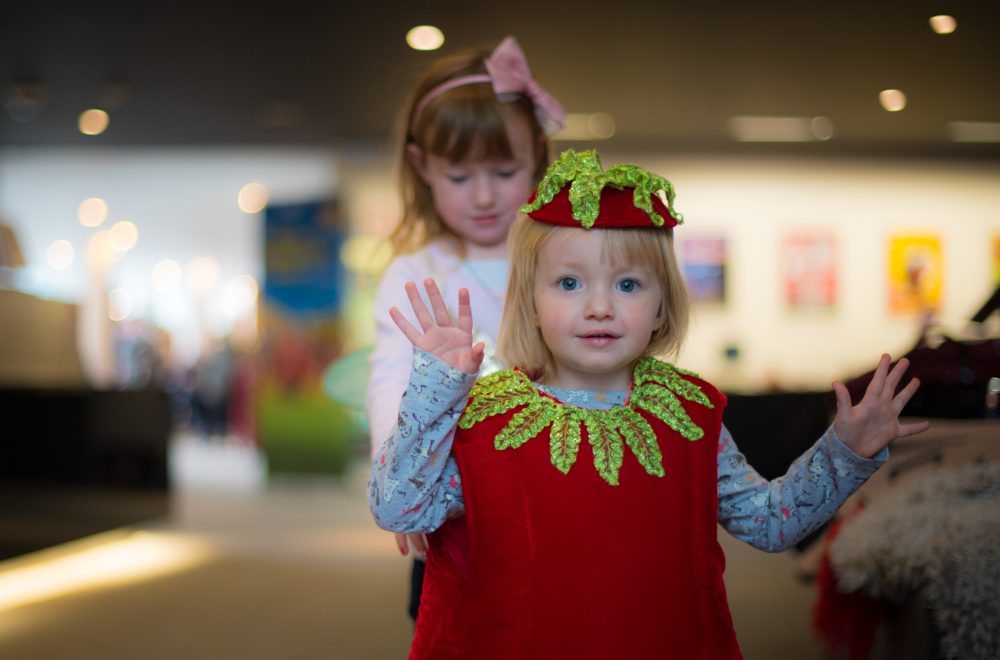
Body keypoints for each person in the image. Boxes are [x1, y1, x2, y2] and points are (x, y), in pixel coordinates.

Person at [369, 149, 930, 658]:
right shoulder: (484, 419)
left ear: (663, 305)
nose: (598, 307)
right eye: (569, 284)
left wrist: (846, 450)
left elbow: (768, 523)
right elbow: (398, 510)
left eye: (628, 286)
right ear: (530, 302)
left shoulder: (688, 413)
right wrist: (435, 389)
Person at [363, 35, 563, 621]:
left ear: (539, 155)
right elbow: (391, 382)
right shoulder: (414, 271)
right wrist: (394, 471)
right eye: (459, 176)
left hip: (556, 496)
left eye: (504, 171)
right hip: (456, 504)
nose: (483, 196)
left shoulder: (562, 255)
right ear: (423, 167)